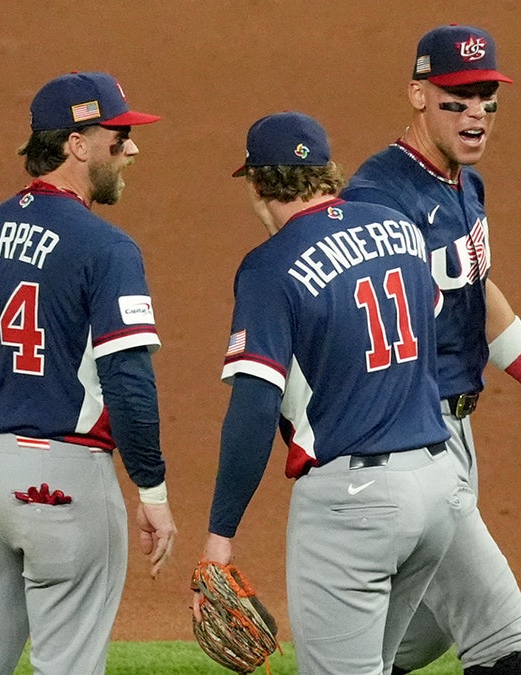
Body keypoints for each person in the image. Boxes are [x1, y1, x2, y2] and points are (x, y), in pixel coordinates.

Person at [341, 24, 521, 675]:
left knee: (414, 636)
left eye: (485, 95)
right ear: (418, 94)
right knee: (499, 636)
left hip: (450, 431)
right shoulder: (377, 200)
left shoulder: (462, 187)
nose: (475, 109)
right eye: (457, 95)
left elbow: (474, 294)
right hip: (406, 441)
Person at [0, 71, 178, 674]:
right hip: (64, 481)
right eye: (118, 136)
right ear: (76, 144)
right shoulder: (105, 247)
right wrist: (153, 492)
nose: (130, 148)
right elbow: (129, 384)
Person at [194, 111, 473, 674]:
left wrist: (219, 537)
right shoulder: (400, 228)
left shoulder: (269, 266)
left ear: (256, 184)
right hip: (441, 487)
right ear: (327, 171)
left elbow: (253, 406)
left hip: (355, 505)